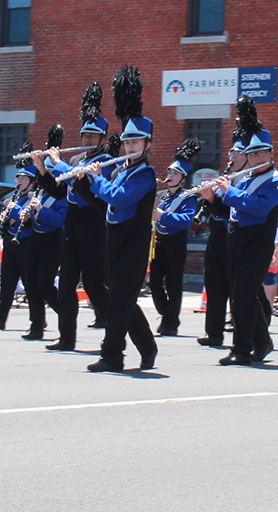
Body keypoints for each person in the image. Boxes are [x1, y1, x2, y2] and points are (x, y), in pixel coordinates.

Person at [202, 96, 278, 366]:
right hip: (234, 239)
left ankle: (241, 349)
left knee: (243, 294)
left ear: (271, 153)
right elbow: (230, 210)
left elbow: (258, 208)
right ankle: (262, 341)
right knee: (241, 295)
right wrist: (211, 199)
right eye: (251, 154)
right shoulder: (243, 179)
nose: (255, 158)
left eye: (260, 153)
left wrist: (227, 192)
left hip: (257, 242)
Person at [85, 66, 160, 372]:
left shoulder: (146, 173)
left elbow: (119, 198)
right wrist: (79, 178)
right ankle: (148, 347)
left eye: (136, 143)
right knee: (122, 296)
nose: (129, 148)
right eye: (127, 143)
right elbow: (102, 199)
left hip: (135, 238)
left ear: (147, 144)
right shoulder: (120, 170)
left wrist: (95, 180)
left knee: (119, 298)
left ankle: (112, 354)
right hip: (113, 235)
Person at [39, 83, 113, 352]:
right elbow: (60, 190)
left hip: (92, 224)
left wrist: (58, 162)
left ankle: (112, 333)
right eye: (84, 136)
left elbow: (85, 190)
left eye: (93, 137)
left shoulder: (105, 161)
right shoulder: (79, 159)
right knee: (67, 282)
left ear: (103, 139)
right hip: (71, 222)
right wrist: (42, 169)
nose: (87, 141)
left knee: (95, 285)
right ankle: (66, 337)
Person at [150, 140, 202, 336]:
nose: (169, 175)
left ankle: (170, 323)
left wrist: (163, 215)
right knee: (154, 283)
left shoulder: (189, 196)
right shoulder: (161, 195)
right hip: (157, 243)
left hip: (175, 244)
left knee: (173, 284)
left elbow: (186, 220)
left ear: (183, 178)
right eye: (169, 172)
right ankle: (168, 315)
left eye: (174, 173)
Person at [20, 149, 68, 342]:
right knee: (31, 284)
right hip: (35, 240)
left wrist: (40, 211)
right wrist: (26, 213)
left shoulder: (61, 195)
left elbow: (61, 219)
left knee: (45, 285)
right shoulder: (39, 191)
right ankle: (36, 326)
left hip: (53, 241)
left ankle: (66, 315)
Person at [198, 138, 243, 348]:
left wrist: (224, 191)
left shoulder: (245, 181)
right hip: (216, 236)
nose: (232, 157)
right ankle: (214, 333)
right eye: (231, 153)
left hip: (234, 236)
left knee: (238, 288)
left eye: (237, 154)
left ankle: (246, 332)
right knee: (214, 283)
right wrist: (207, 199)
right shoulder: (225, 177)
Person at [0, 153, 33, 331]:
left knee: (30, 284)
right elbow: (5, 222)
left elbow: (28, 220)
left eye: (24, 178)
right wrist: (2, 219)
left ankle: (38, 320)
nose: (19, 181)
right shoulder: (11, 199)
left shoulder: (33, 199)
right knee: (7, 282)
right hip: (10, 243)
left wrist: (13, 210)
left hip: (26, 243)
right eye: (18, 177)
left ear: (32, 181)